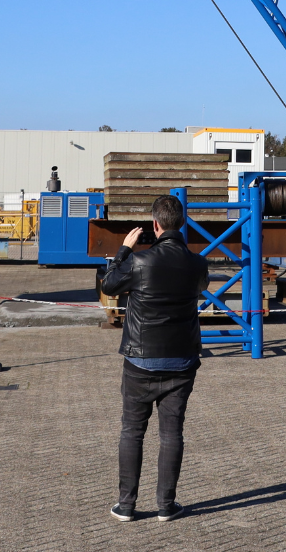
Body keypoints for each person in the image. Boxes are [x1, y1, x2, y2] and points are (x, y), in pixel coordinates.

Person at [99, 194, 209, 521]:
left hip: (140, 360)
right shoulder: (198, 263)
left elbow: (109, 285)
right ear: (182, 223)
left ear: (155, 224)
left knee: (132, 431)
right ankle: (166, 505)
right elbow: (199, 287)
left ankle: (126, 505)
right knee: (172, 433)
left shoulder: (139, 261)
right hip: (182, 361)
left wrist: (124, 249)